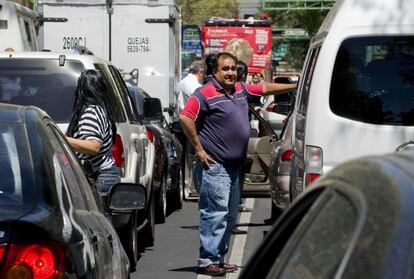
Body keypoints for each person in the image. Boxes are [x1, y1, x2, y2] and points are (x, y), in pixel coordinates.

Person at [180, 52, 296, 276]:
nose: (231, 72)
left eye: (233, 68)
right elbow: (185, 117)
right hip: (215, 166)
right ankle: (207, 260)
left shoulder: (240, 89)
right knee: (215, 214)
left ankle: (219, 259)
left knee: (230, 216)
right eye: (225, 69)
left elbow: (264, 89)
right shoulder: (204, 93)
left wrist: (294, 87)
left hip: (235, 166)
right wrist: (199, 149)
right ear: (215, 72)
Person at [66, 69, 120, 213]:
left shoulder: (91, 112)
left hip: (99, 176)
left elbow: (94, 146)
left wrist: (63, 140)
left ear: (83, 89)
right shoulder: (101, 110)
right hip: (105, 175)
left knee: (99, 224)